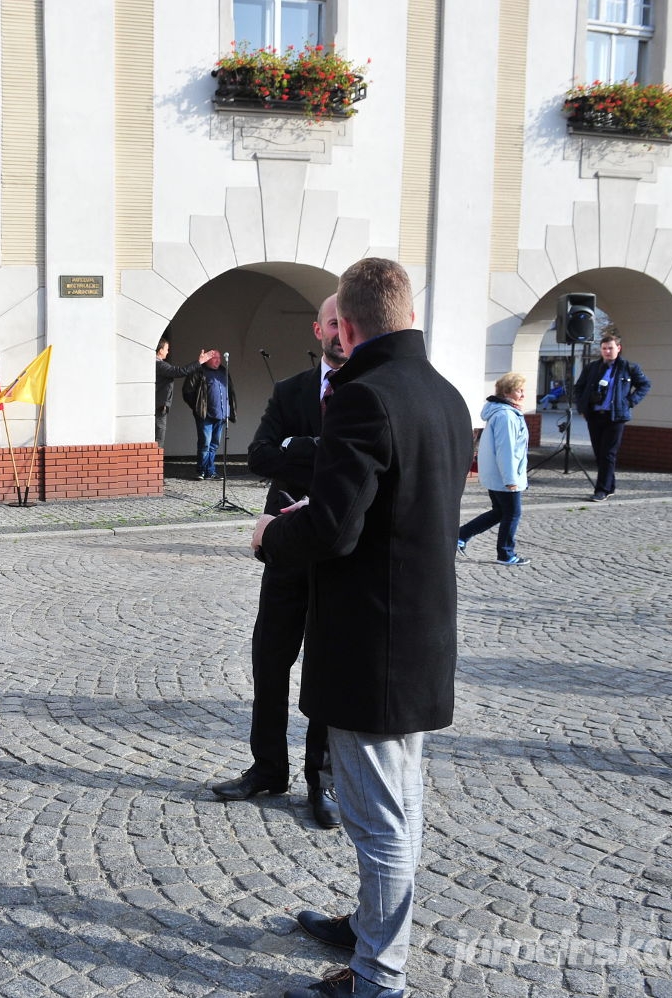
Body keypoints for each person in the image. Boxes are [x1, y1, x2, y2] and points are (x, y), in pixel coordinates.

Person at [251, 258, 472, 998]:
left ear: (344, 328)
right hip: (420, 636)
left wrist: (274, 534)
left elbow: (335, 530)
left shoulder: (362, 397)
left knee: (378, 820)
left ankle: (378, 976)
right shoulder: (445, 394)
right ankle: (372, 928)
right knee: (400, 805)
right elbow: (391, 511)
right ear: (408, 314)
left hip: (371, 645)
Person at [211, 294, 345, 829]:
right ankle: (267, 766)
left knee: (325, 666)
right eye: (332, 322)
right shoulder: (291, 390)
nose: (339, 331)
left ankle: (322, 779)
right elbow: (259, 456)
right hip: (286, 544)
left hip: (336, 550)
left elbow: (354, 465)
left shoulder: (366, 393)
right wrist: (319, 446)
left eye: (346, 323)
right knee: (269, 660)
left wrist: (299, 447)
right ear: (318, 329)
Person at [458, 372, 530, 566]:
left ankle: (461, 535)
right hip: (504, 476)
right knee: (512, 513)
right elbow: (506, 450)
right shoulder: (506, 415)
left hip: (499, 474)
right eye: (519, 390)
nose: (523, 394)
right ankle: (505, 554)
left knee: (499, 512)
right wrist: (511, 479)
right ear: (506, 392)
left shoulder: (504, 412)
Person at [573, 332, 651, 502]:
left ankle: (601, 490)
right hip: (595, 415)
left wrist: (630, 401)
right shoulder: (592, 367)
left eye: (610, 348)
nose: (607, 351)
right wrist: (582, 407)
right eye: (604, 348)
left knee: (608, 454)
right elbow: (579, 387)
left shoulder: (628, 367)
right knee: (599, 453)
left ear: (618, 348)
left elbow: (645, 385)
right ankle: (610, 486)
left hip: (616, 416)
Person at [154, 336, 216, 448]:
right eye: (167, 349)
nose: (168, 352)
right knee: (159, 440)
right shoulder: (159, 365)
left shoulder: (156, 364)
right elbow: (180, 371)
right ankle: (155, 460)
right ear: (160, 350)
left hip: (158, 406)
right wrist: (199, 362)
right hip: (159, 407)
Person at [184, 351, 237, 480]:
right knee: (205, 444)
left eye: (219, 358)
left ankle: (210, 471)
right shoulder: (199, 371)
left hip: (221, 414)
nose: (218, 360)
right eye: (214, 358)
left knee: (214, 445)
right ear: (207, 359)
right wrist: (198, 407)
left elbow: (230, 391)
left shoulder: (224, 371)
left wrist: (230, 409)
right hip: (205, 415)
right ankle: (201, 471)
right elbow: (187, 391)